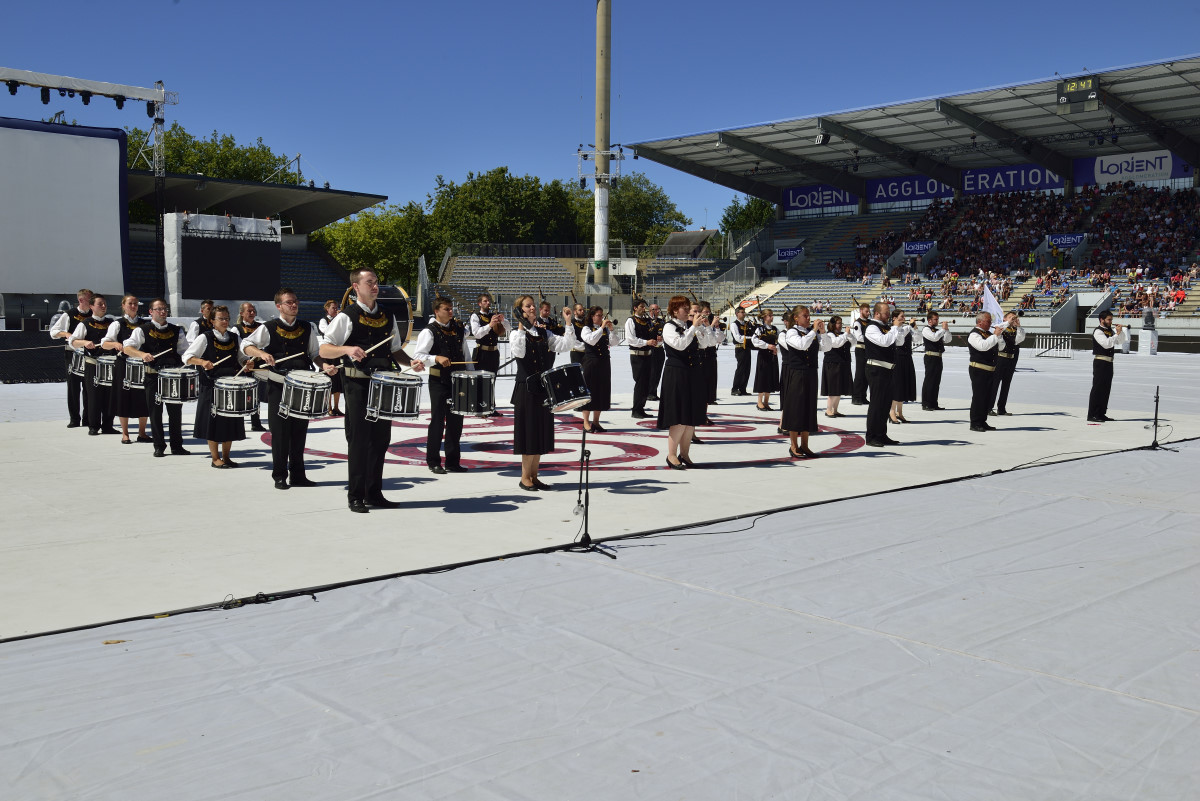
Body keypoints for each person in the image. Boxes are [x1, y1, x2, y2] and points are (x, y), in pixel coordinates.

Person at [319, 270, 423, 512]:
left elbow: (395, 349)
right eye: (370, 282)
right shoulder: (347, 316)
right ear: (356, 287)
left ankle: (374, 493)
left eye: (376, 282)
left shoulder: (387, 315)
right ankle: (355, 495)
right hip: (357, 385)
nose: (375, 286)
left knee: (380, 440)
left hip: (383, 385)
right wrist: (347, 350)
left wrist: (412, 363)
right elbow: (325, 349)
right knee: (358, 440)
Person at [243, 288, 332, 492]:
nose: (294, 305)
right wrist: (261, 354)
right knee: (280, 432)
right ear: (279, 306)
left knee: (299, 431)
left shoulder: (307, 327)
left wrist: (324, 365)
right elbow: (246, 345)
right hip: (278, 385)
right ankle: (280, 475)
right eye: (289, 302)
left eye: (295, 302)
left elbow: (313, 354)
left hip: (302, 385)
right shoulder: (268, 327)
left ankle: (298, 475)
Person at [509, 295, 575, 490]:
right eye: (528, 306)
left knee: (539, 432)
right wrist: (521, 326)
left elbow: (567, 344)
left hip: (543, 388)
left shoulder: (544, 334)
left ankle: (534, 475)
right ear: (520, 311)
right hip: (526, 388)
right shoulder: (516, 334)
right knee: (528, 432)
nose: (532, 308)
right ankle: (524, 477)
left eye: (533, 305)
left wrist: (568, 323)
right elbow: (519, 352)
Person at [122, 298, 190, 457]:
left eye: (164, 309)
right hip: (153, 376)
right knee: (155, 413)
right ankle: (159, 445)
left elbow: (184, 352)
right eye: (159, 309)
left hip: (173, 377)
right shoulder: (142, 330)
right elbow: (127, 348)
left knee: (175, 413)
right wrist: (142, 354)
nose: (163, 311)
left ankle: (177, 445)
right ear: (151, 312)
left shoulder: (177, 330)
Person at [185, 305, 248, 468]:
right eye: (221, 318)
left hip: (230, 384)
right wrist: (202, 362)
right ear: (212, 321)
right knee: (212, 422)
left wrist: (246, 363)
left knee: (230, 421)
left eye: (227, 318)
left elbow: (241, 357)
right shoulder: (204, 338)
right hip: (211, 384)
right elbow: (187, 357)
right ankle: (215, 458)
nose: (225, 321)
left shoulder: (235, 337)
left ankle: (226, 457)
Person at [413, 298, 469, 475]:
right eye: (447, 309)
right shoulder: (429, 331)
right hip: (439, 381)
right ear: (437, 311)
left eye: (451, 309)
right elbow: (419, 355)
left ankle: (453, 461)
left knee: (456, 422)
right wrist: (435, 358)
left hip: (458, 381)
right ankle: (433, 460)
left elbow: (465, 352)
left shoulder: (458, 329)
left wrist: (471, 373)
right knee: (438, 421)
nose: (451, 312)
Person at [657, 296, 709, 469]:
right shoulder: (669, 327)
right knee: (678, 417)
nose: (687, 310)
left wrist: (703, 328)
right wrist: (693, 327)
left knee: (690, 417)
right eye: (684, 308)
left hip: (692, 373)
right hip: (677, 373)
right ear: (674, 310)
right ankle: (671, 455)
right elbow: (679, 345)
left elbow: (707, 343)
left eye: (688, 307)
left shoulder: (689, 326)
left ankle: (685, 454)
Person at [780, 305, 829, 458]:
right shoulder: (791, 332)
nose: (808, 318)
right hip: (797, 373)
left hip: (811, 373)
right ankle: (794, 445)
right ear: (796, 318)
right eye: (805, 315)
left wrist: (823, 332)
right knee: (796, 408)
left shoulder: (810, 333)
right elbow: (802, 345)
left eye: (809, 315)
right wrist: (814, 331)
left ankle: (805, 445)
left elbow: (826, 348)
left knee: (808, 407)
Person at [102, 294, 149, 444]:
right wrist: (114, 344)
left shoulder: (144, 324)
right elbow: (104, 343)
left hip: (142, 364)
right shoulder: (117, 324)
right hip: (123, 364)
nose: (133, 306)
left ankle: (142, 433)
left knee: (144, 398)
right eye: (130, 303)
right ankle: (125, 433)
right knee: (123, 398)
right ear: (123, 306)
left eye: (135, 303)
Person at [69, 293, 118, 436]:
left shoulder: (112, 323)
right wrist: (84, 342)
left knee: (110, 396)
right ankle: (93, 426)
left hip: (110, 363)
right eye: (100, 304)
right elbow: (72, 341)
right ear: (91, 307)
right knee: (94, 396)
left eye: (104, 304)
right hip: (93, 363)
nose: (103, 306)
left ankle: (108, 425)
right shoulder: (85, 323)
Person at [51, 288, 94, 428]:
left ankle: (87, 418)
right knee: (73, 387)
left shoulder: (94, 315)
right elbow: (54, 332)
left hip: (89, 354)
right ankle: (74, 418)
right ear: (81, 300)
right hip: (72, 354)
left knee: (88, 387)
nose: (92, 302)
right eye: (89, 299)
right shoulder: (69, 315)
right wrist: (67, 334)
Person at [863, 302, 901, 447]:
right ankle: (872, 436)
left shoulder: (887, 328)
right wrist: (895, 328)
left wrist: (899, 329)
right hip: (876, 368)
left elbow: (899, 342)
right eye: (886, 313)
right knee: (877, 403)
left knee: (885, 404)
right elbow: (884, 342)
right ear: (877, 313)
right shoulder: (872, 327)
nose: (889, 316)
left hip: (887, 369)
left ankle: (881, 434)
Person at [579, 306, 619, 433]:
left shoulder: (605, 330)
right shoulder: (586, 329)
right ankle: (586, 421)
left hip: (603, 362)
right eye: (598, 315)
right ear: (592, 316)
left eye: (602, 315)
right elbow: (591, 340)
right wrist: (601, 327)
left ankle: (596, 421)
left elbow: (614, 343)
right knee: (590, 391)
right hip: (591, 362)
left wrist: (611, 330)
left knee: (601, 391)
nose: (601, 317)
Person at [469, 293, 508, 416]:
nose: (488, 303)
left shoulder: (493, 315)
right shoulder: (475, 316)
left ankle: (491, 407)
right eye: (485, 301)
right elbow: (476, 333)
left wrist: (503, 320)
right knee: (481, 381)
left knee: (492, 380)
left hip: (494, 352)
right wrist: (490, 325)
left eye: (489, 301)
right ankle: (479, 408)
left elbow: (507, 328)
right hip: (482, 352)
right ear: (479, 303)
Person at [966, 312, 1004, 432]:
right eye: (988, 321)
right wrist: (995, 336)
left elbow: (1001, 347)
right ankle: (975, 422)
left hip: (989, 369)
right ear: (980, 321)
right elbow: (983, 346)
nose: (990, 323)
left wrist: (999, 335)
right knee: (979, 397)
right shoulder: (974, 334)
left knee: (987, 397)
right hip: (979, 369)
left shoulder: (988, 333)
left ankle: (982, 420)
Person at [1087, 310, 1127, 423]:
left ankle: (1101, 413)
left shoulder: (1109, 330)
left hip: (1109, 362)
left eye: (1111, 320)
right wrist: (1117, 334)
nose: (1111, 322)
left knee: (1106, 389)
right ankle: (1092, 414)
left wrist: (1120, 332)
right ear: (1102, 319)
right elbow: (1106, 344)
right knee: (1097, 389)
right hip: (1100, 362)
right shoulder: (1098, 331)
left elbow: (1120, 341)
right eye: (1109, 320)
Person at [234, 302, 267, 432]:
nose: (252, 313)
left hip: (258, 365)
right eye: (249, 311)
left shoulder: (261, 327)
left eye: (253, 311)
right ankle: (239, 423)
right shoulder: (237, 329)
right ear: (242, 313)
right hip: (244, 365)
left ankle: (256, 421)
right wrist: (243, 362)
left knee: (256, 394)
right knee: (243, 394)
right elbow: (236, 350)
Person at [624, 299, 658, 419]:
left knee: (646, 383)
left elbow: (651, 334)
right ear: (635, 308)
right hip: (637, 355)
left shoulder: (647, 321)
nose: (644, 309)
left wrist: (656, 339)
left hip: (648, 354)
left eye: (644, 307)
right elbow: (631, 339)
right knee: (640, 383)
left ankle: (641, 408)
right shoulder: (630, 321)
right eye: (641, 307)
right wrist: (646, 342)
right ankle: (636, 409)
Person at [991, 311, 1026, 416]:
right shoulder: (1001, 327)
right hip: (1000, 359)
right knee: (994, 384)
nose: (1013, 319)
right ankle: (989, 407)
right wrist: (1007, 323)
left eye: (1013, 317)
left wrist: (1018, 326)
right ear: (1004, 319)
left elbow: (1019, 340)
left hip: (1011, 360)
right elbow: (997, 330)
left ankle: (1001, 408)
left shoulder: (1015, 330)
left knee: (1006, 385)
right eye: (1010, 317)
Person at [821, 315, 852, 418]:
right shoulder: (829, 335)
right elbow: (836, 343)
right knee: (833, 388)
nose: (840, 325)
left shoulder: (843, 334)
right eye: (838, 323)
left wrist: (850, 335)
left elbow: (854, 342)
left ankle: (835, 410)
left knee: (839, 388)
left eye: (841, 323)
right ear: (833, 324)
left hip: (843, 363)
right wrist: (846, 335)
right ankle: (828, 409)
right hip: (832, 363)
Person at [318, 299, 345, 417]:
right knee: (328, 380)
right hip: (327, 353)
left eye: (336, 307)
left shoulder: (339, 320)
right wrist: (337, 321)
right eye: (333, 308)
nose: (336, 310)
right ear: (327, 309)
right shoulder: (323, 321)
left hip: (337, 352)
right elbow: (327, 331)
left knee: (337, 380)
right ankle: (328, 407)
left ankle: (336, 407)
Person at [920, 312, 952, 411]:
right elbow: (934, 338)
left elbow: (947, 340)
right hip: (930, 356)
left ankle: (934, 403)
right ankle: (926, 403)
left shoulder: (938, 330)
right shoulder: (926, 329)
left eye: (937, 319)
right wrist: (943, 329)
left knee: (936, 381)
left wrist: (946, 330)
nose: (937, 321)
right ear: (929, 320)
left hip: (938, 357)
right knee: (929, 380)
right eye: (935, 319)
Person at [889, 309, 916, 424]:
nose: (903, 318)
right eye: (901, 316)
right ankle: (891, 412)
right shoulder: (892, 329)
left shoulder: (906, 328)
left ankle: (900, 412)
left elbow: (918, 339)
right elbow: (898, 340)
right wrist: (907, 327)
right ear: (894, 318)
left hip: (907, 358)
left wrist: (914, 328)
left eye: (904, 316)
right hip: (897, 358)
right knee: (897, 385)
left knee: (904, 385)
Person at [750, 308, 779, 412]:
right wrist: (767, 346)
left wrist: (776, 349)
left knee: (770, 378)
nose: (772, 317)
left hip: (772, 356)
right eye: (770, 315)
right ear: (764, 317)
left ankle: (766, 402)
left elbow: (779, 341)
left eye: (772, 315)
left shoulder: (775, 329)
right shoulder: (760, 329)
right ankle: (759, 402)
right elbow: (755, 341)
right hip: (763, 356)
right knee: (762, 378)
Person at [849, 303, 871, 405]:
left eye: (869, 311)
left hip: (868, 350)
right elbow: (859, 337)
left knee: (867, 374)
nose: (868, 313)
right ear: (861, 311)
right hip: (861, 349)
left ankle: (863, 396)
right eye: (866, 311)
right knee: (860, 374)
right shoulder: (857, 323)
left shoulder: (870, 322)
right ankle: (856, 396)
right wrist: (871, 339)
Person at [730, 307, 753, 396]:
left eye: (744, 312)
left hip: (747, 347)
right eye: (742, 312)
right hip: (740, 348)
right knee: (741, 368)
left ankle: (743, 388)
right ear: (737, 314)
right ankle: (735, 388)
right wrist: (750, 338)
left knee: (747, 369)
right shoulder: (734, 324)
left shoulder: (748, 324)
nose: (744, 314)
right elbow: (738, 338)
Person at [647, 302, 666, 401]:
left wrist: (662, 337)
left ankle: (653, 392)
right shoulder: (646, 321)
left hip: (660, 349)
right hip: (651, 349)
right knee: (652, 372)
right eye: (656, 309)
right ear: (651, 310)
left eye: (658, 309)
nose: (658, 311)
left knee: (658, 372)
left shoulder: (662, 322)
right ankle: (649, 392)